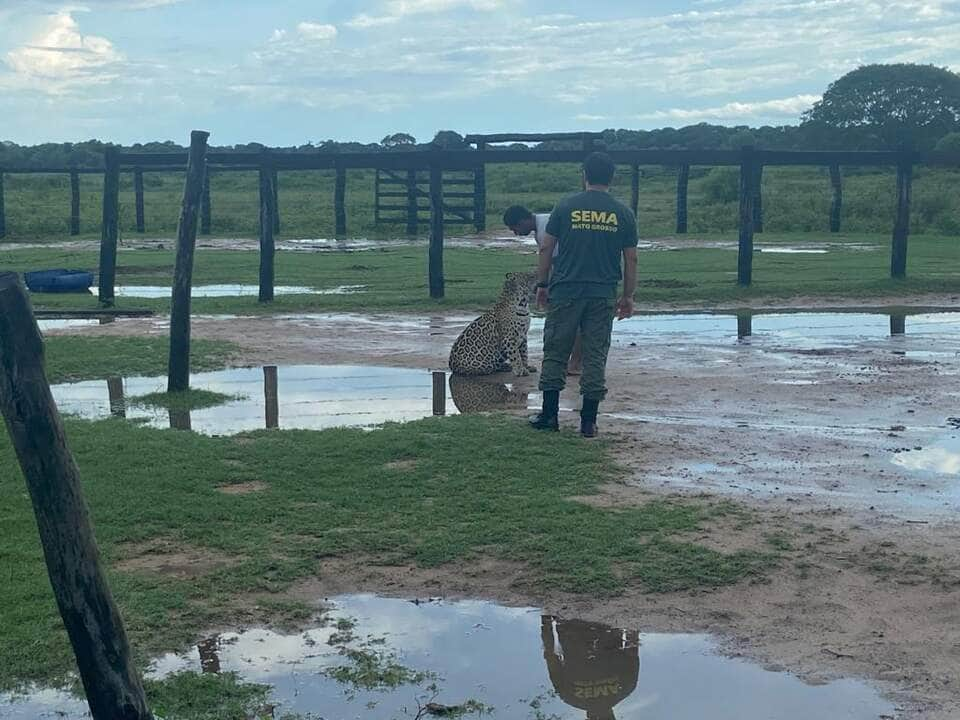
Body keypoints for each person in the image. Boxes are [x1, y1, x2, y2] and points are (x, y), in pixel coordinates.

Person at [529, 152, 638, 438]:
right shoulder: (623, 213)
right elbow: (631, 259)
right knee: (594, 355)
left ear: (584, 175)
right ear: (611, 178)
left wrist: (542, 284)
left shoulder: (565, 207)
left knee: (555, 350)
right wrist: (628, 295)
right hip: (602, 293)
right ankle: (588, 421)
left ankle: (549, 415)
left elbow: (546, 248)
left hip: (566, 290)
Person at [503, 205, 583, 375]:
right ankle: (575, 361)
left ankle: (573, 363)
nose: (516, 233)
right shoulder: (545, 220)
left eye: (515, 228)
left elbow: (552, 259)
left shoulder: (544, 230)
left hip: (572, 276)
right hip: (579, 272)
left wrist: (543, 285)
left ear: (523, 221)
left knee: (570, 319)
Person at [540, 616, 641, 720]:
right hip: (569, 623)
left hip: (606, 620)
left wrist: (629, 610)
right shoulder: (569, 696)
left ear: (613, 716)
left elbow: (632, 645)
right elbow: (551, 657)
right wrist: (546, 622)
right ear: (588, 717)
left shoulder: (627, 688)